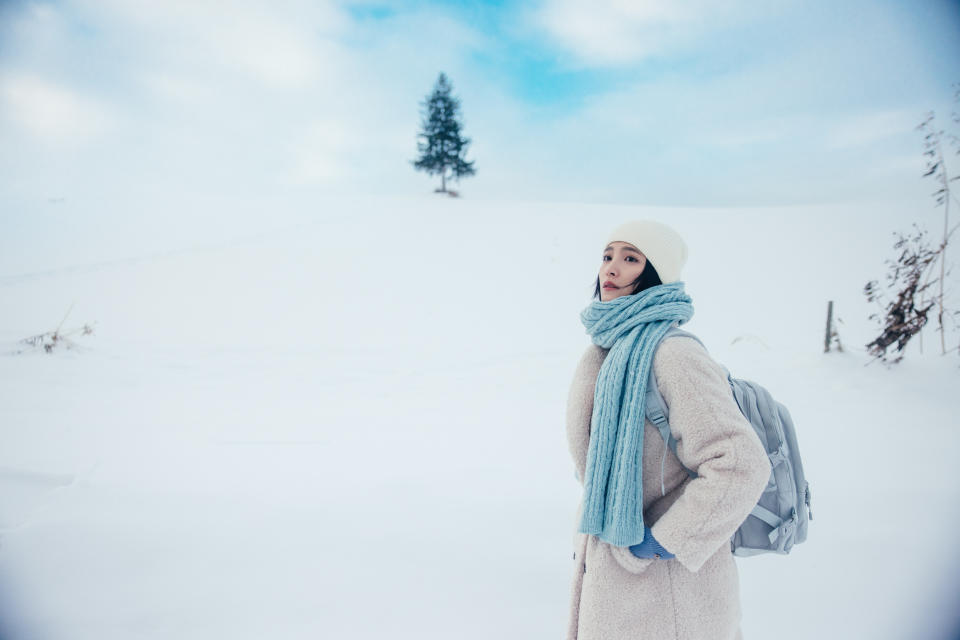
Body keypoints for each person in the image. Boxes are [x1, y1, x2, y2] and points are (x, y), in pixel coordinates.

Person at [565, 220, 771, 640]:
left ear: (656, 273)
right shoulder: (607, 353)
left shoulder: (673, 355)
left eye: (630, 258)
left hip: (669, 594)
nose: (611, 269)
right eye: (607, 257)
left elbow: (739, 463)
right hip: (617, 582)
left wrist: (667, 540)